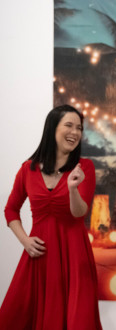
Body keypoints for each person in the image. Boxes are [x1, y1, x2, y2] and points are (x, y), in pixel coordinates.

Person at [0, 105, 102, 329]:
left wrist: (73, 188)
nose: (75, 132)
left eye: (79, 128)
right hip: (39, 257)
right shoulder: (28, 169)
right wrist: (25, 240)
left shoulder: (85, 167)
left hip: (74, 257)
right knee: (14, 317)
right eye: (69, 125)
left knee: (77, 320)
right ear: (52, 128)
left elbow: (79, 213)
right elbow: (10, 210)